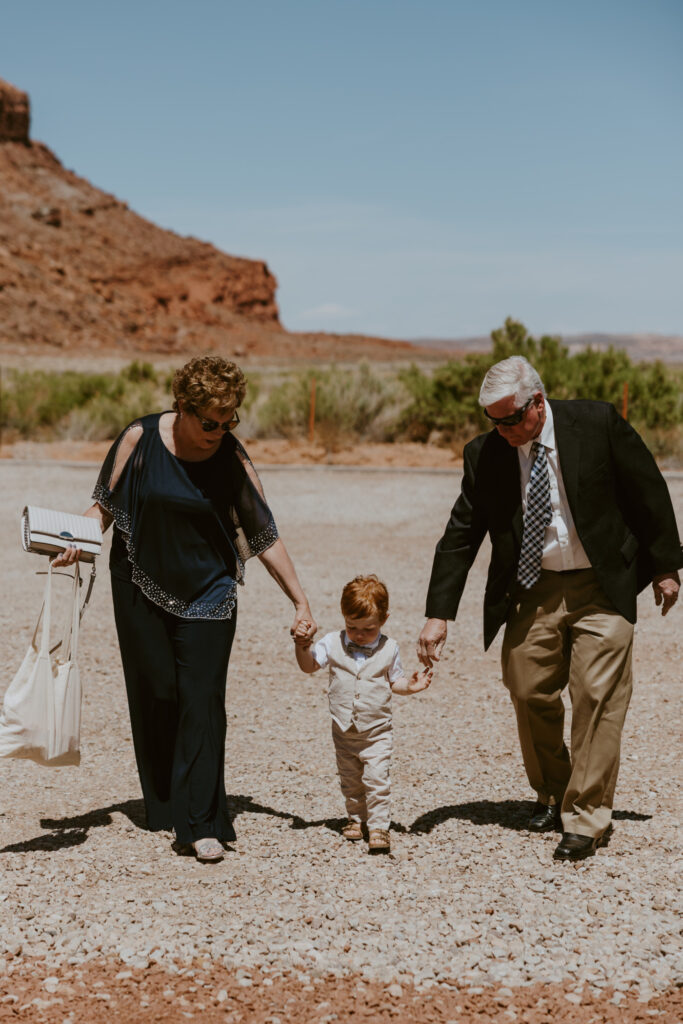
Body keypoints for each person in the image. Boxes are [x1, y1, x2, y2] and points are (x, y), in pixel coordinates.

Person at [53, 355, 316, 863]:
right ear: (184, 407)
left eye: (229, 420)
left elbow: (263, 535)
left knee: (201, 700)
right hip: (138, 582)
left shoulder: (230, 458)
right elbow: (103, 506)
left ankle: (202, 822)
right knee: (156, 693)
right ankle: (169, 803)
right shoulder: (139, 439)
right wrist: (74, 542)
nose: (219, 430)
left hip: (209, 592)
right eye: (210, 421)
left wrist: (300, 599)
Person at [418, 355, 681, 862]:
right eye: (493, 421)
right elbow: (460, 534)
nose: (504, 430)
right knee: (526, 686)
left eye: (512, 419)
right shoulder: (485, 454)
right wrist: (438, 613)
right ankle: (556, 791)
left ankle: (585, 818)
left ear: (537, 402)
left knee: (596, 696)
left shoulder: (597, 423)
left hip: (602, 583)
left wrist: (666, 566)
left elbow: (648, 489)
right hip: (532, 587)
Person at [293, 575, 432, 854]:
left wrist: (412, 686)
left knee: (377, 778)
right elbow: (309, 667)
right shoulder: (332, 642)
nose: (358, 634)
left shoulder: (389, 648)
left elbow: (396, 682)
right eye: (351, 626)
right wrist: (302, 645)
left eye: (368, 629)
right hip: (343, 729)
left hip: (377, 730)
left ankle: (379, 825)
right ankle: (356, 818)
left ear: (384, 619)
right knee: (350, 778)